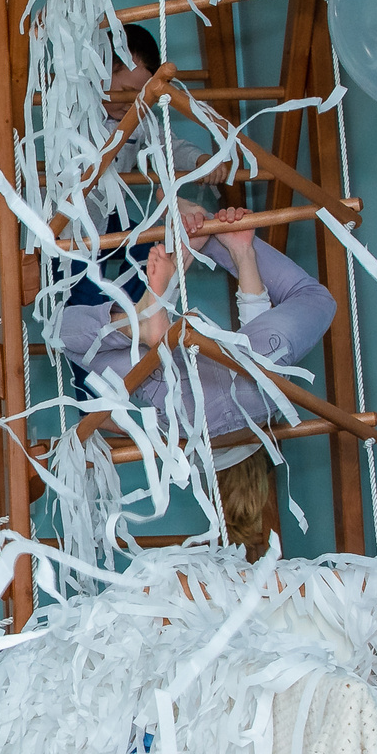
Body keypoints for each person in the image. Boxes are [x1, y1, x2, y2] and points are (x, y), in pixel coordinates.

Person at [58, 202, 335, 559]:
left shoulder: (266, 413)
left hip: (256, 382)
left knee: (316, 301)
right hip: (184, 405)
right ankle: (142, 323)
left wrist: (243, 255)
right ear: (211, 485)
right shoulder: (183, 448)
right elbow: (111, 418)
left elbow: (253, 335)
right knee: (65, 337)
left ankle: (223, 242)